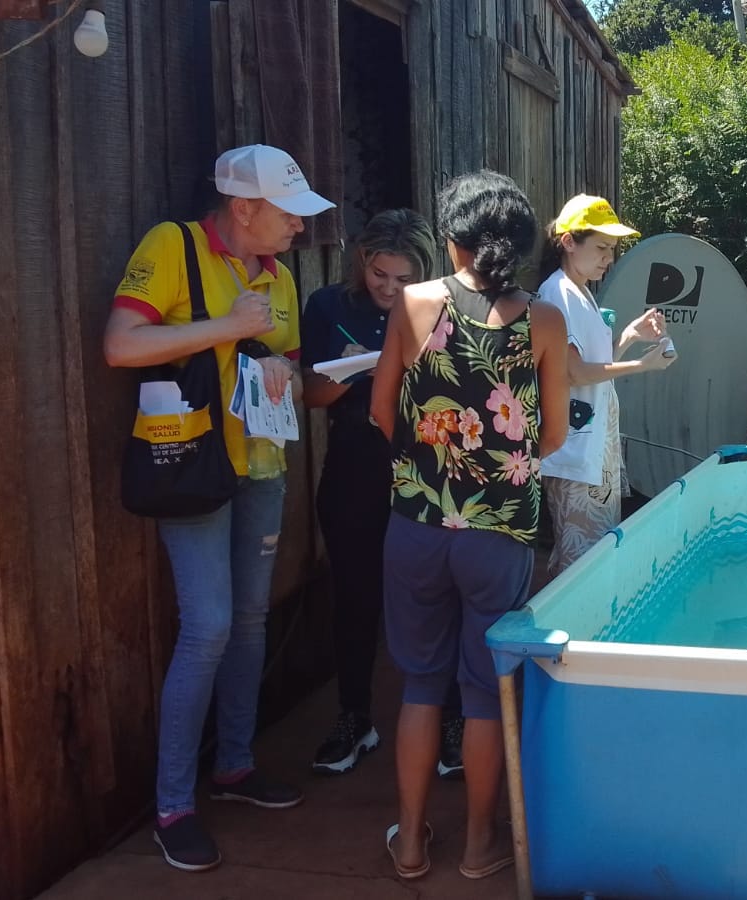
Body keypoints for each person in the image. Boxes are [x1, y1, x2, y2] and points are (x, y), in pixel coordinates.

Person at [103, 144, 334, 873]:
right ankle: (173, 806)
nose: (299, 229)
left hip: (260, 466)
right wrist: (229, 329)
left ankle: (233, 767)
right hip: (192, 469)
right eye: (288, 215)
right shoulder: (171, 247)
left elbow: (288, 365)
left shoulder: (280, 277)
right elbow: (120, 346)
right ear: (243, 209)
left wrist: (286, 377)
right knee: (206, 628)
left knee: (249, 620)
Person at [369, 170, 569, 881]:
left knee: (421, 683)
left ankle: (414, 844)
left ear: (449, 238)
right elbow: (547, 438)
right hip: (501, 530)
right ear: (515, 245)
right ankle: (482, 846)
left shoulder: (414, 304)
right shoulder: (544, 320)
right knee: (485, 689)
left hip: (418, 523)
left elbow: (380, 411)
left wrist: (434, 459)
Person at [300, 210, 466, 777]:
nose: (389, 288)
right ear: (362, 264)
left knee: (437, 597)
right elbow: (311, 395)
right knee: (354, 599)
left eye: (402, 278)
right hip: (353, 468)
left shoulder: (444, 306)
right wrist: (350, 372)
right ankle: (354, 718)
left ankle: (451, 717)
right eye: (379, 275)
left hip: (426, 469)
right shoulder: (328, 306)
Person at [536, 194, 675, 575]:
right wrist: (640, 365)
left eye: (611, 249)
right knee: (581, 564)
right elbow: (574, 373)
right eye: (600, 248)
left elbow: (592, 362)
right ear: (568, 242)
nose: (608, 258)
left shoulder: (580, 291)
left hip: (594, 447)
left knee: (593, 553)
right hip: (577, 452)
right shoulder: (558, 292)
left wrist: (630, 335)